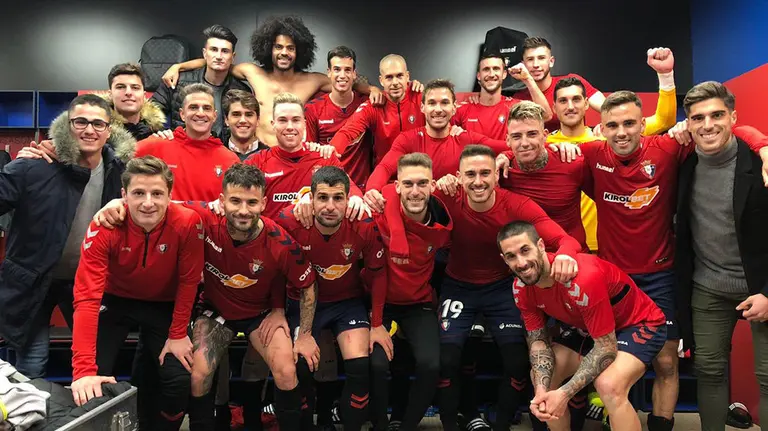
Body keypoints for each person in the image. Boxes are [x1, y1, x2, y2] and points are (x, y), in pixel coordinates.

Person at [578, 90, 768, 430]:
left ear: (644, 125)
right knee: (611, 359)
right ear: (601, 129)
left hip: (663, 276)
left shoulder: (669, 149)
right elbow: (530, 153)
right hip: (617, 278)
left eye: (629, 123)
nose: (621, 131)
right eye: (612, 125)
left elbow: (722, 131)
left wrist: (764, 143)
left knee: (667, 362)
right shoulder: (591, 154)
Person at [94, 163, 317, 430]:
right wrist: (117, 202)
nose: (243, 210)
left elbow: (308, 285)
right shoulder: (202, 217)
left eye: (251, 202)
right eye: (235, 201)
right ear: (221, 201)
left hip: (260, 315)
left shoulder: (280, 241)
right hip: (215, 312)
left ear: (264, 203)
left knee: (286, 370)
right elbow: (160, 200)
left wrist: (303, 333)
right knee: (197, 375)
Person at [429, 145, 580, 431]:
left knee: (516, 360)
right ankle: (457, 420)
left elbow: (566, 240)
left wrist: (565, 255)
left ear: (496, 176)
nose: (478, 181)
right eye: (470, 174)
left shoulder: (517, 205)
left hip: (503, 288)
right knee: (447, 360)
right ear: (458, 177)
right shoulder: (446, 197)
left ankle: (501, 423)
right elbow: (398, 195)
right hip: (458, 286)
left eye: (485, 173)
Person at [0, 94, 135, 379]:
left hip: (86, 282)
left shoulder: (120, 173)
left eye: (98, 123)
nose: (89, 130)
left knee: (90, 363)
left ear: (109, 130)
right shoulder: (35, 166)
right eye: (81, 122)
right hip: (33, 280)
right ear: (68, 125)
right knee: (32, 365)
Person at [71, 156, 203, 430]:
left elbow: (189, 282)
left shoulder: (187, 223)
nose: (147, 202)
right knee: (93, 381)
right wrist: (83, 370)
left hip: (162, 306)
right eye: (138, 193)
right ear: (123, 195)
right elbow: (87, 298)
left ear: (170, 196)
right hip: (114, 301)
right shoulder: (104, 225)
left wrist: (178, 333)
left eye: (157, 194)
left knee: (178, 380)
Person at [498, 221, 667, 431]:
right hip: (587, 328)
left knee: (609, 386)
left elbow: (606, 347)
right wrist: (542, 392)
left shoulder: (580, 278)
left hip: (637, 323)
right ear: (504, 260)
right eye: (512, 256)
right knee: (542, 378)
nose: (521, 263)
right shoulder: (521, 287)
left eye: (525, 250)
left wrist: (564, 394)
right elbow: (539, 342)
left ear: (541, 246)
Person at [673, 81, 768, 430]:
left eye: (717, 115)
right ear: (688, 124)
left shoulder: (760, 163)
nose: (708, 125)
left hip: (761, 286)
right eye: (698, 118)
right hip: (708, 286)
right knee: (709, 372)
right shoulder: (684, 164)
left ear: (733, 117)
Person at [274, 166, 386, 431]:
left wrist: (378, 324)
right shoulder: (289, 220)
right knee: (300, 365)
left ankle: (337, 422)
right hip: (300, 301)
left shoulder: (363, 224)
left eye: (338, 198)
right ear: (309, 199)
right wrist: (276, 311)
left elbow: (379, 273)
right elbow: (274, 272)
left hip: (346, 302)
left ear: (349, 200)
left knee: (360, 367)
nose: (330, 206)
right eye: (322, 197)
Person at [163, 16, 381, 147]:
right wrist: (179, 66)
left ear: (299, 51)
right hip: (257, 153)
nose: (284, 52)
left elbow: (344, 80)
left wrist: (370, 88)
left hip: (291, 154)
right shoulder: (252, 72)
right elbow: (218, 61)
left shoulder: (313, 80)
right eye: (278, 47)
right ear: (269, 48)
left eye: (290, 48)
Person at [368, 153, 452, 431]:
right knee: (378, 366)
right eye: (408, 184)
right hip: (380, 305)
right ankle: (381, 424)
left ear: (432, 186)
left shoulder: (441, 220)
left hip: (419, 304)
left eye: (422, 183)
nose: (415, 191)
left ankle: (407, 426)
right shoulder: (378, 212)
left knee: (430, 365)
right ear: (397, 187)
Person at [363, 79, 508, 212]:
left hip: (458, 216)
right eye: (432, 103)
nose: (438, 109)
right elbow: (385, 167)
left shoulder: (465, 138)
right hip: (422, 214)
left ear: (454, 108)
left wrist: (507, 155)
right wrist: (372, 190)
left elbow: (510, 147)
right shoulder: (408, 139)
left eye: (444, 103)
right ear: (422, 107)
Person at [244, 92, 367, 220]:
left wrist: (356, 197)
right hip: (272, 237)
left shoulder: (324, 158)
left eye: (296, 120)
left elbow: (349, 186)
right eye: (283, 120)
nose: (290, 127)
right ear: (273, 124)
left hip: (311, 237)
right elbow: (234, 189)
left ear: (304, 124)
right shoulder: (257, 161)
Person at [137, 83, 240, 201]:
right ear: (182, 114)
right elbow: (119, 160)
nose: (200, 113)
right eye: (193, 107)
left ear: (214, 115)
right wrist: (118, 202)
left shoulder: (230, 160)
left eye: (206, 108)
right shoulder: (158, 144)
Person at [151, 24, 249, 137]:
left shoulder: (241, 90)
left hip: (221, 150)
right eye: (214, 49)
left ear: (233, 57)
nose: (218, 56)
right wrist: (162, 135)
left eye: (225, 51)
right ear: (204, 53)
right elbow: (150, 113)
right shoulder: (177, 81)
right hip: (182, 149)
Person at [330, 54, 425, 167]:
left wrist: (452, 127)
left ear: (407, 76)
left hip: (421, 173)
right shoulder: (374, 105)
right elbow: (347, 132)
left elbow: (445, 110)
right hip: (386, 175)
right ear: (381, 80)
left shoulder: (421, 98)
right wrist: (331, 150)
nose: (395, 82)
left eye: (399, 76)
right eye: (389, 77)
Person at [305, 46, 372, 188]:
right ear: (328, 72)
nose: (342, 75)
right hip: (329, 189)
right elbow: (309, 155)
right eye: (337, 69)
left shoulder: (367, 103)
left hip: (362, 189)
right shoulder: (313, 109)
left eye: (347, 70)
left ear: (354, 74)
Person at [453, 51, 551, 140]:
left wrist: (528, 79)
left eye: (496, 69)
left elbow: (546, 116)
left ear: (504, 74)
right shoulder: (464, 108)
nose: (491, 74)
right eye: (486, 69)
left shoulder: (514, 107)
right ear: (479, 76)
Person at [222, 89, 269, 160]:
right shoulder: (215, 156)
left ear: (258, 120)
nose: (243, 120)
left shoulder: (270, 157)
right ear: (226, 120)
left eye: (249, 115)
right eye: (236, 114)